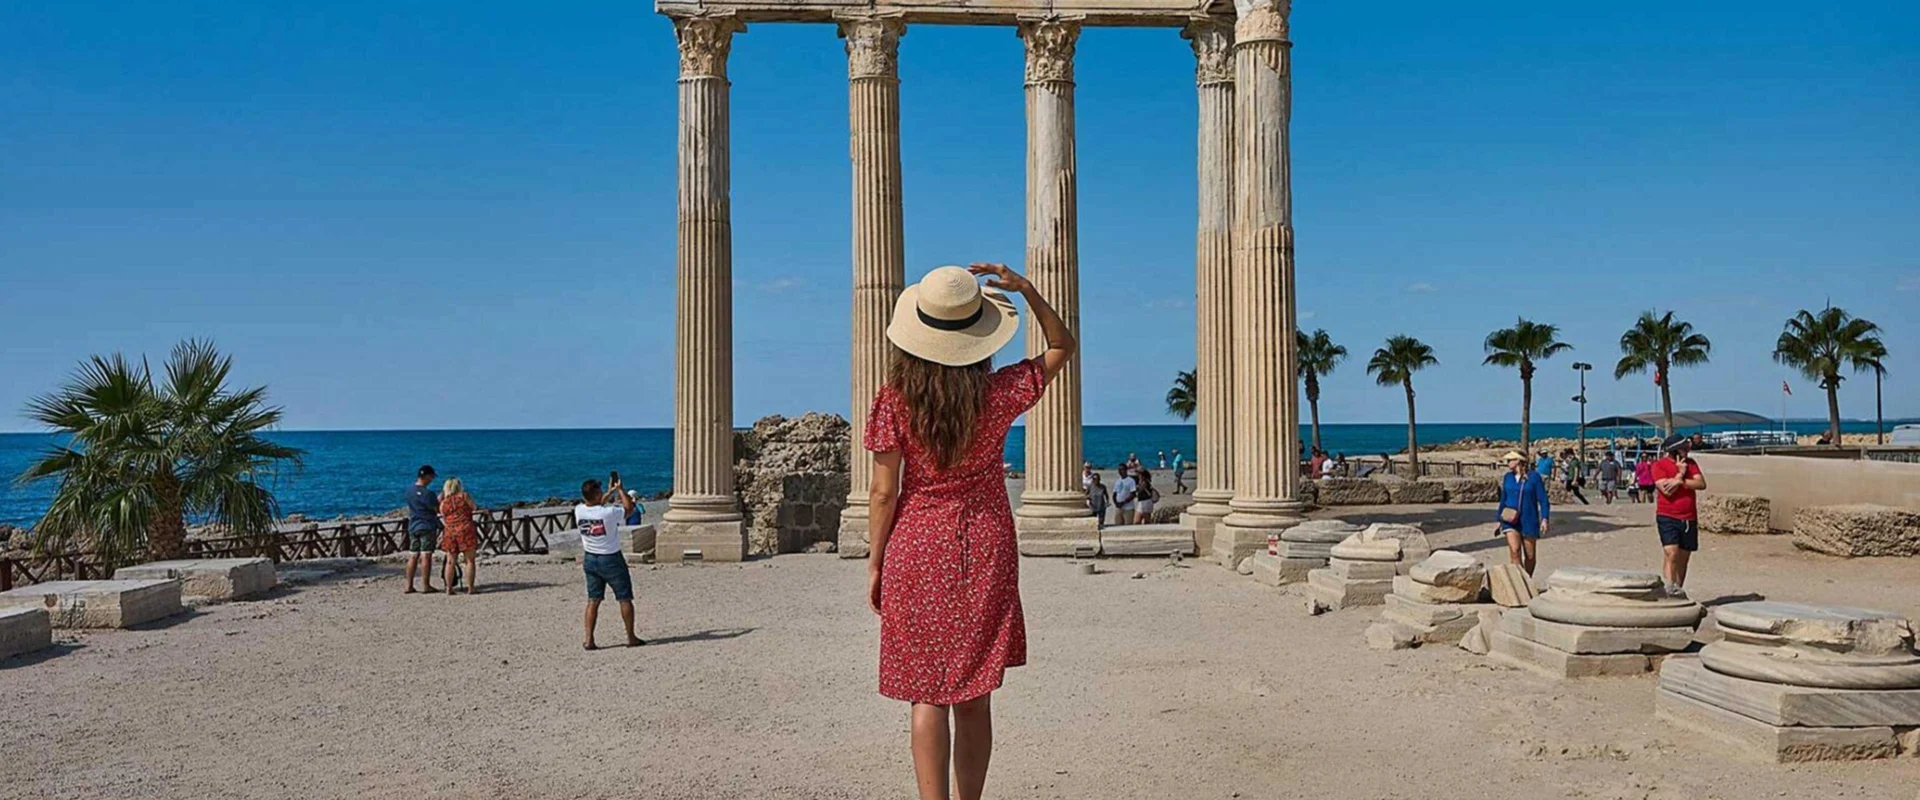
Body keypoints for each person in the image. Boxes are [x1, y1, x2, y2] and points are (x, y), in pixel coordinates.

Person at [864, 262, 1074, 800]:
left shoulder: (894, 399)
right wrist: (1026, 290)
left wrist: (876, 561)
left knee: (926, 694)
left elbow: (883, 492)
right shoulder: (998, 392)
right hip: (984, 542)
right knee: (975, 695)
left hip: (916, 545)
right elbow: (1061, 346)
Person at [575, 476, 644, 650]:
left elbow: (596, 504)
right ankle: (631, 637)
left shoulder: (579, 510)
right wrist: (620, 490)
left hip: (590, 558)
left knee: (593, 599)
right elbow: (629, 509)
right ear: (598, 494)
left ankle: (589, 640)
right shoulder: (609, 513)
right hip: (610, 558)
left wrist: (608, 492)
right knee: (624, 598)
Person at [1652, 434, 1707, 597]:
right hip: (1667, 515)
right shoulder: (1659, 465)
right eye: (1683, 448)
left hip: (1689, 517)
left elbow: (1701, 483)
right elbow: (1666, 490)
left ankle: (1677, 588)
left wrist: (1680, 481)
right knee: (1672, 553)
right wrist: (1680, 475)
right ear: (1674, 450)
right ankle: (1669, 587)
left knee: (1683, 557)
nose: (1687, 450)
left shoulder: (1691, 464)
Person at [1495, 451, 1551, 575]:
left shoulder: (1534, 477)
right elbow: (1503, 499)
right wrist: (1499, 518)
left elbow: (1543, 499)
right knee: (1515, 551)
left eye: (1510, 460)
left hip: (1529, 519)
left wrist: (1545, 518)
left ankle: (1527, 578)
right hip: (1510, 519)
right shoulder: (1508, 477)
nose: (1508, 462)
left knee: (1530, 556)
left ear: (1519, 461)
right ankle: (1519, 580)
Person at [438, 477, 480, 595]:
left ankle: (449, 588)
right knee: (469, 561)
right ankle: (471, 588)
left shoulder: (443, 502)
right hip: (465, 529)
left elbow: (442, 513)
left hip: (450, 531)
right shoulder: (464, 496)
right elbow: (474, 507)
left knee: (450, 561)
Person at [403, 465, 442, 594]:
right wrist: (439, 499)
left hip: (413, 525)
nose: (431, 480)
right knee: (426, 555)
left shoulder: (409, 490)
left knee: (413, 555)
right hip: (427, 525)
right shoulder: (428, 493)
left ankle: (408, 585)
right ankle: (426, 585)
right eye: (431, 477)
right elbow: (437, 509)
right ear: (426, 476)